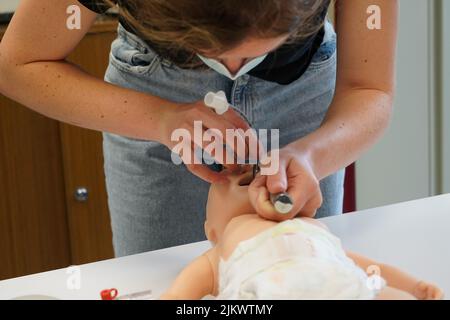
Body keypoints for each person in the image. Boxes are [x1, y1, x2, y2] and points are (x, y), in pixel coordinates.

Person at [0, 0, 398, 256]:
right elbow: (17, 65)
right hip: (152, 90)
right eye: (213, 52)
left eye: (261, 47)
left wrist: (314, 154)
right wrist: (159, 119)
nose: (234, 68)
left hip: (303, 92)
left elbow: (370, 88)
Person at [160, 171, 444, 300]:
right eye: (231, 179)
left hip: (342, 286)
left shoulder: (308, 229)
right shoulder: (217, 256)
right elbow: (179, 295)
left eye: (258, 174)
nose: (245, 169)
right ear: (213, 232)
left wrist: (415, 287)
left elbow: (370, 269)